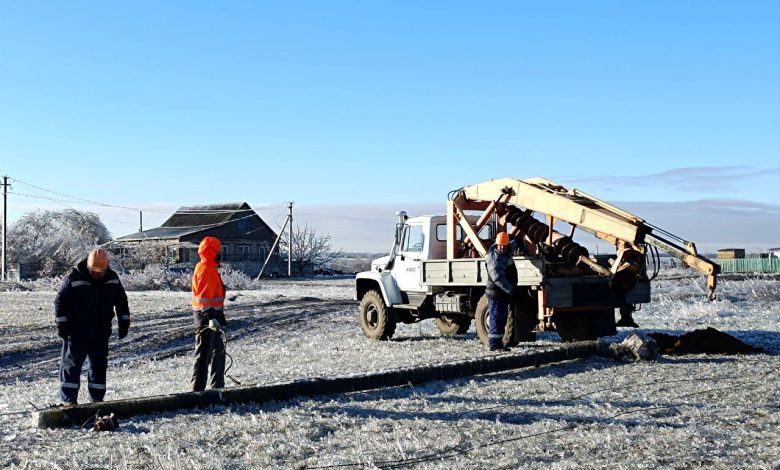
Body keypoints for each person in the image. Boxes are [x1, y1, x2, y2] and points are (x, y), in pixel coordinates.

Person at [54, 248, 130, 404]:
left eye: (100, 272)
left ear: (106, 267)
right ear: (88, 266)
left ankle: (96, 401)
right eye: (93, 271)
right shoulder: (74, 278)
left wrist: (124, 322)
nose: (96, 274)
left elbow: (121, 301)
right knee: (71, 366)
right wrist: (62, 325)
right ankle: (68, 401)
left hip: (101, 332)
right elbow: (60, 301)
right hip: (76, 332)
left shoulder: (113, 279)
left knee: (99, 366)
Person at [190, 236, 227, 391]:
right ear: (212, 252)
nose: (221, 253)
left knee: (218, 353)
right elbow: (204, 298)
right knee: (204, 355)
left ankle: (217, 388)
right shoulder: (205, 269)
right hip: (207, 319)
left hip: (213, 317)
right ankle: (198, 391)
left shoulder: (209, 268)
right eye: (219, 250)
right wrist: (211, 318)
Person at [485, 231, 518, 352]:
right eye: (500, 245)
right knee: (496, 319)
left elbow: (511, 245)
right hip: (496, 294)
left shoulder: (506, 250)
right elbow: (498, 278)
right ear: (496, 244)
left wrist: (517, 239)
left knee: (501, 319)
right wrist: (511, 290)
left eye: (504, 245)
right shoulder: (494, 258)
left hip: (501, 294)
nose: (502, 247)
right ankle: (494, 345)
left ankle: (498, 344)